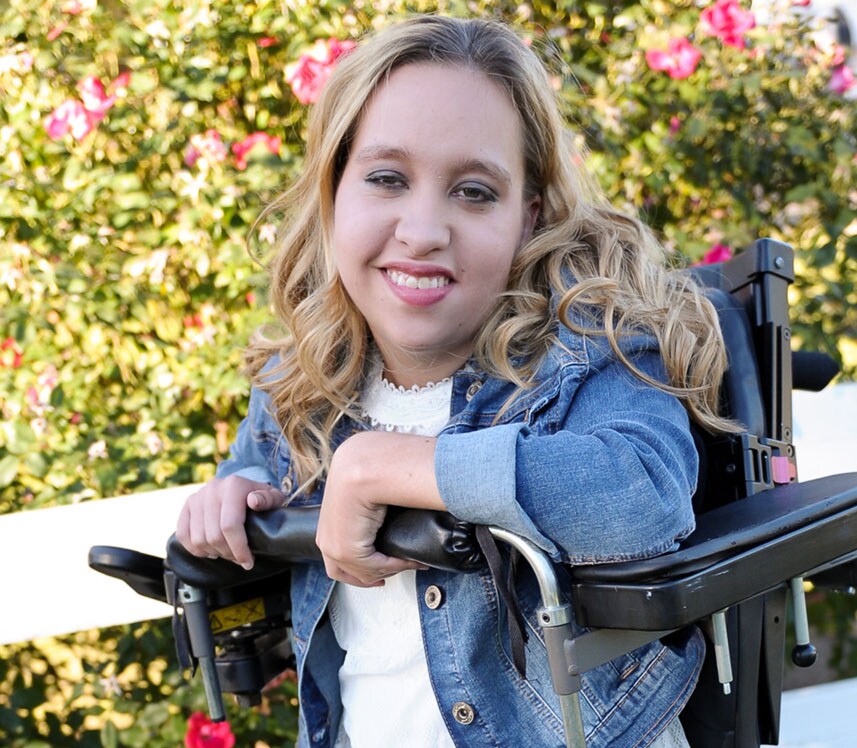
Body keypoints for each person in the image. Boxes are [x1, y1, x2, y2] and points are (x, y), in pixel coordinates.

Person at [176, 14, 737, 748]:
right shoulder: (299, 383)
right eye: (385, 178)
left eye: (473, 192)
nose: (422, 229)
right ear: (333, 190)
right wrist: (229, 501)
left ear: (525, 216)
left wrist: (386, 464)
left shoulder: (589, 348)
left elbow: (641, 497)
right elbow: (257, 473)